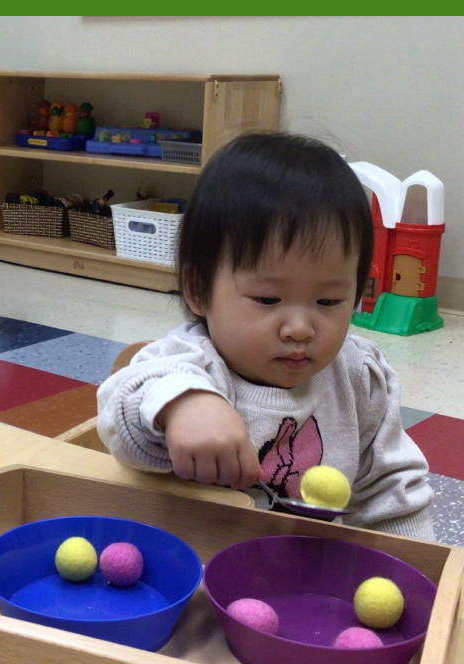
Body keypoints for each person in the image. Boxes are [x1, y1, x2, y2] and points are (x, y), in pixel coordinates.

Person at [97, 132, 433, 540]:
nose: (300, 328)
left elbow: (391, 490)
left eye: (328, 301)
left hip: (304, 579)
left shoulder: (359, 378)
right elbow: (121, 415)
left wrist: (416, 566)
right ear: (199, 289)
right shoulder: (190, 362)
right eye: (268, 298)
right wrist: (183, 406)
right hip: (196, 571)